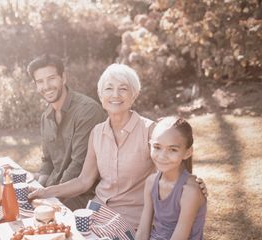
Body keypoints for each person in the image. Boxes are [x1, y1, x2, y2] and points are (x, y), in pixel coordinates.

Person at [30, 64, 206, 230]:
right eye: (108, 89)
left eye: (123, 89)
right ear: (101, 96)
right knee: (48, 231)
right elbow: (84, 181)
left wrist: (191, 180)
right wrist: (45, 192)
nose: (115, 95)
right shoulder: (97, 132)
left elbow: (177, 156)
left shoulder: (150, 131)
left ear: (134, 95)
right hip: (96, 213)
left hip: (132, 221)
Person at [132, 117, 207, 240]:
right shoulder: (151, 182)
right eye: (157, 147)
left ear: (187, 152)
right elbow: (142, 232)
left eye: (173, 149)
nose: (162, 155)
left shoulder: (189, 191)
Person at [27, 54, 106, 210]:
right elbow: (47, 162)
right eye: (40, 82)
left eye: (51, 78)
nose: (46, 86)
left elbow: (78, 166)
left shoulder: (87, 111)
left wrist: (48, 194)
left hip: (84, 196)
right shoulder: (46, 117)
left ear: (63, 78)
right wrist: (38, 186)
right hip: (54, 191)